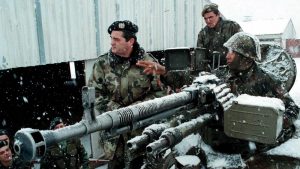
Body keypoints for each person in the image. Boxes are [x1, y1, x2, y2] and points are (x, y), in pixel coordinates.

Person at [137, 32, 299, 158]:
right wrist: (164, 71)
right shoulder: (222, 73)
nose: (227, 55)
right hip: (223, 139)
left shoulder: (266, 80)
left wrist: (268, 123)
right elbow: (194, 79)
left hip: (250, 145)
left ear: (245, 58)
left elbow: (292, 108)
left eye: (232, 52)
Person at [88, 20, 166, 168]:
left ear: (130, 41)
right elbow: (95, 94)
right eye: (111, 38)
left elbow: (160, 93)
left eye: (116, 39)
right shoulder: (102, 64)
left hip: (140, 134)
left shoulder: (148, 63)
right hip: (113, 136)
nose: (112, 43)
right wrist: (116, 110)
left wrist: (137, 109)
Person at [196, 3, 242, 71]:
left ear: (218, 15)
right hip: (212, 71)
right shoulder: (203, 34)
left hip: (233, 69)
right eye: (205, 18)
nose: (208, 21)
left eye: (210, 17)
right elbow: (200, 57)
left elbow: (243, 47)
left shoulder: (232, 27)